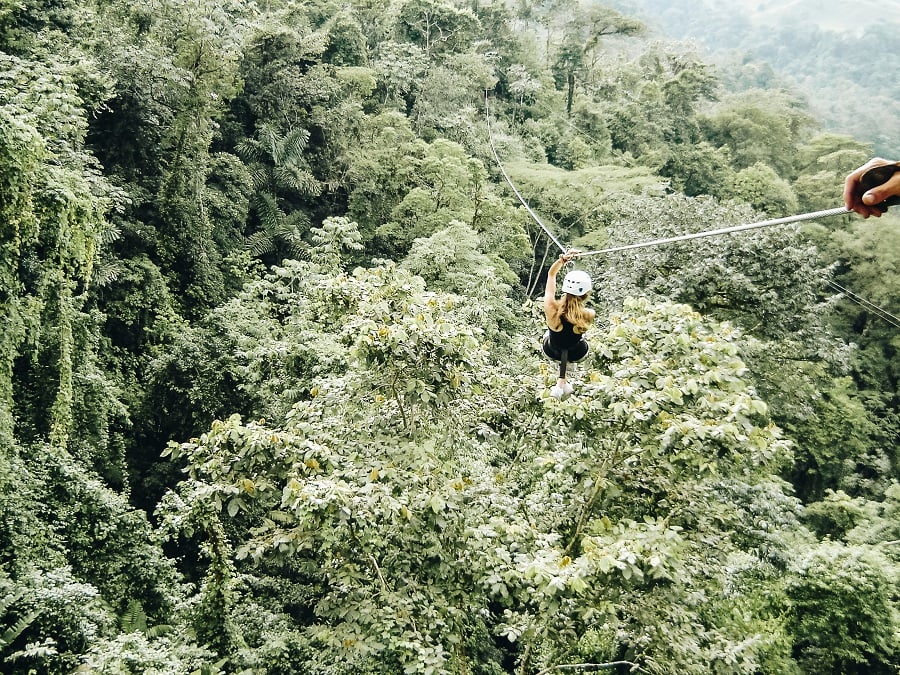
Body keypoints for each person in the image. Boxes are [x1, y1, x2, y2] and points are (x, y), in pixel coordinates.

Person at [542, 251, 596, 399]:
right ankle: (563, 381)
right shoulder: (588, 314)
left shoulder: (550, 308)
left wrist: (561, 261)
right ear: (586, 294)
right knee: (578, 339)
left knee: (549, 335)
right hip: (577, 353)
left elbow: (551, 275)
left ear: (565, 289)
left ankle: (561, 382)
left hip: (551, 350)